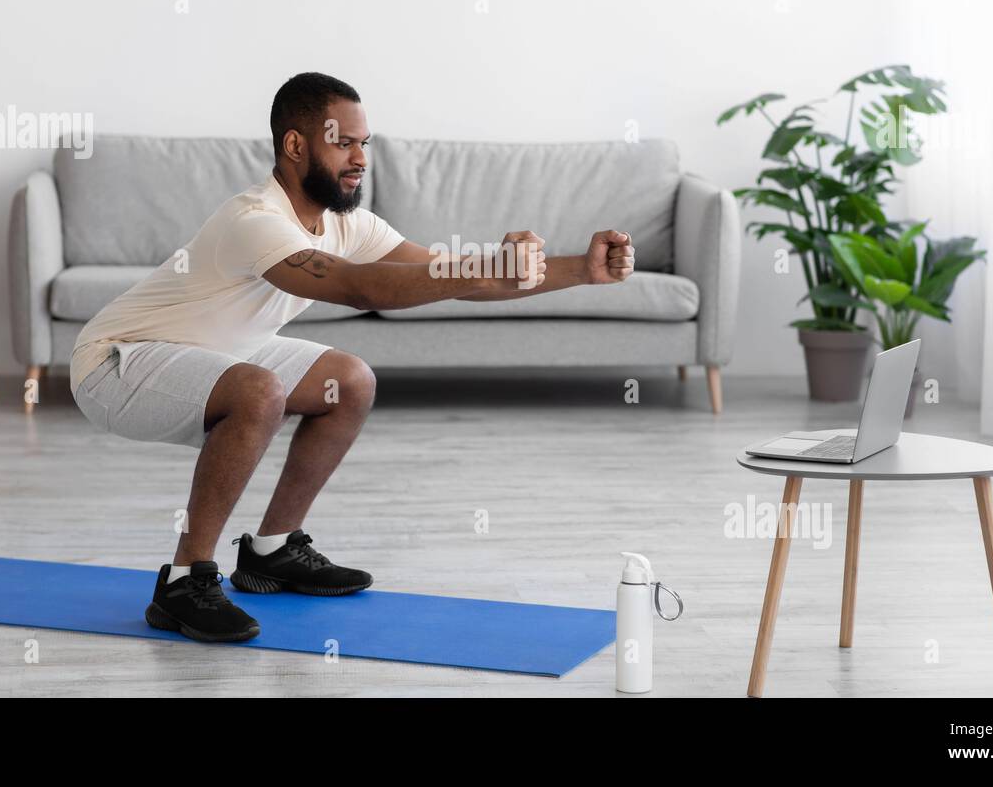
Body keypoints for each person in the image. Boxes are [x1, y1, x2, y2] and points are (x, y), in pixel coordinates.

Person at [70, 72, 636, 642]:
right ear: (295, 146)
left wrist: (580, 270)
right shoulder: (256, 222)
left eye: (365, 143)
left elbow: (448, 279)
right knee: (259, 389)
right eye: (344, 142)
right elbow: (365, 288)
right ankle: (184, 581)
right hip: (116, 363)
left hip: (218, 351)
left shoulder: (348, 224)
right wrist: (489, 263)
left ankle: (271, 550)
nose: (360, 157)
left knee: (350, 380)